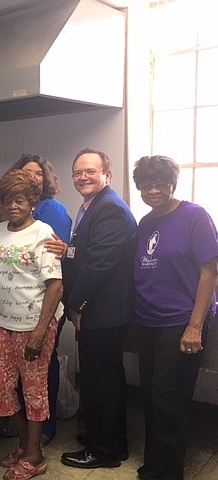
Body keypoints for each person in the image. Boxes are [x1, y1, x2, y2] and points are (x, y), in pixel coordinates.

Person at [132, 155, 218, 480]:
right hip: (148, 321)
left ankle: (168, 473)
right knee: (151, 396)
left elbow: (210, 271)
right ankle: (155, 464)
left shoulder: (195, 216)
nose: (153, 190)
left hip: (182, 321)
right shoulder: (145, 222)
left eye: (160, 184)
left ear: (172, 184)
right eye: (146, 185)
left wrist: (195, 326)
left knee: (169, 398)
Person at [0, 169, 63, 480]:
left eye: (21, 200)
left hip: (35, 325)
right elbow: (1, 270)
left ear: (32, 202)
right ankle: (27, 444)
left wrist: (40, 332)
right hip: (5, 322)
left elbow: (55, 285)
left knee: (34, 390)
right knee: (0, 383)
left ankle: (35, 455)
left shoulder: (43, 233)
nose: (13, 206)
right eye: (8, 200)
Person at [60, 148, 137, 469]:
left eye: (90, 171)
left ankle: (102, 450)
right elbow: (86, 251)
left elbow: (100, 264)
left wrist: (75, 305)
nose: (82, 177)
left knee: (101, 381)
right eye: (78, 172)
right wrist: (68, 250)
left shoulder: (110, 210)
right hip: (101, 310)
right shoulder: (94, 207)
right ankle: (111, 441)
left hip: (102, 311)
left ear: (107, 174)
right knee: (105, 379)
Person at [2, 153, 73, 446]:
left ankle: (44, 427)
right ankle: (27, 427)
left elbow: (58, 259)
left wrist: (43, 325)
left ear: (46, 179)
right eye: (26, 172)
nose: (32, 178)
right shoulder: (6, 219)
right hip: (11, 312)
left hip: (44, 305)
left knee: (41, 372)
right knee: (14, 376)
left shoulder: (51, 211)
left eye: (37, 174)